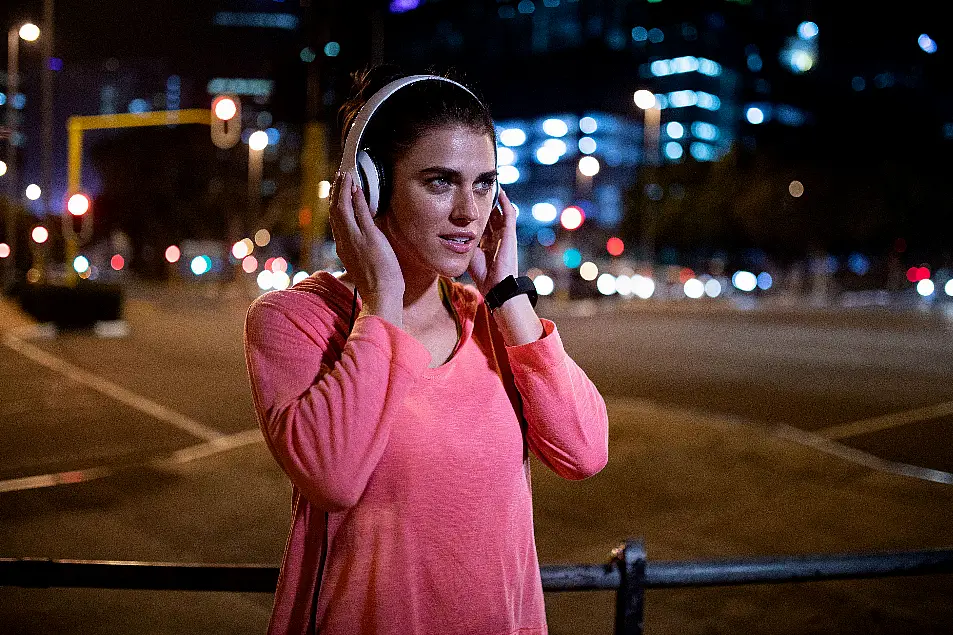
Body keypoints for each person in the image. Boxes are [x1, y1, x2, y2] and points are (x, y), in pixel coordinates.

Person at [243, 65, 609, 635]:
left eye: (484, 183)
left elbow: (584, 451)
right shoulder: (297, 321)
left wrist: (509, 297)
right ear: (369, 187)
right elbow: (333, 476)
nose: (470, 211)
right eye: (440, 181)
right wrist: (381, 306)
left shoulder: (491, 322)